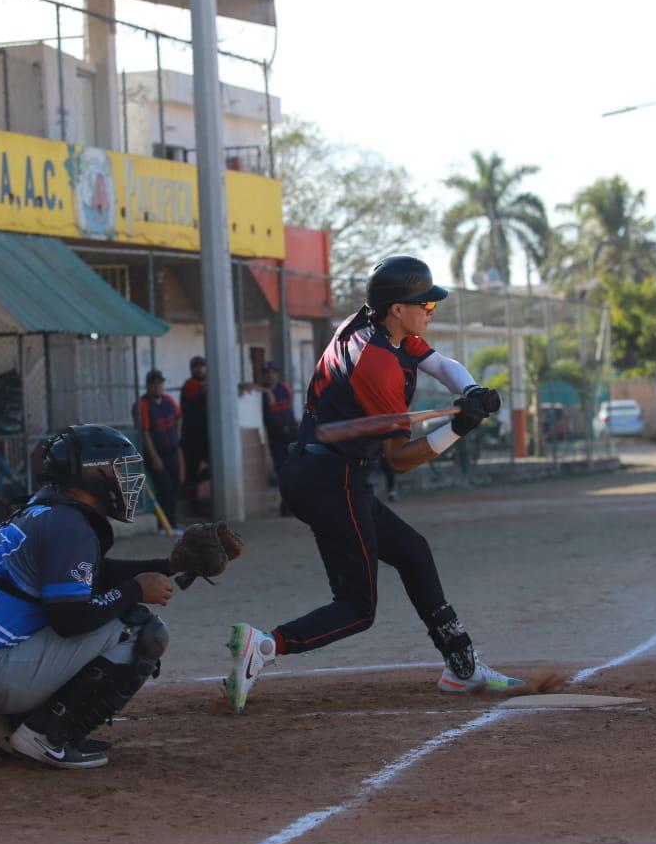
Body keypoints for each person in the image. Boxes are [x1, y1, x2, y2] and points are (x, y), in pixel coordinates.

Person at [222, 256, 524, 714]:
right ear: (397, 308)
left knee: (412, 551)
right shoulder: (377, 364)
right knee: (358, 607)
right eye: (424, 303)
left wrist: (471, 391)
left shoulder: (375, 326)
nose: (430, 310)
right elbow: (401, 460)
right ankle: (265, 646)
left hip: (329, 474)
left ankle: (461, 666)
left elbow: (440, 364)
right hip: (331, 480)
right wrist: (458, 430)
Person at [0, 424, 241, 769]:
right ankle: (46, 735)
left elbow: (90, 575)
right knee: (139, 629)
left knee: (104, 611)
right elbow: (71, 621)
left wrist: (169, 566)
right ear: (90, 475)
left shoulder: (44, 510)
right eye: (117, 469)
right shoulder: (70, 526)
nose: (127, 479)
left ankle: (2, 722)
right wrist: (136, 589)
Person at [137, 370, 183, 531]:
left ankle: (172, 523)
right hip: (157, 454)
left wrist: (177, 437)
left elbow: (178, 417)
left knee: (175, 487)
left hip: (172, 451)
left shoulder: (169, 400)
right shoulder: (143, 404)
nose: (157, 386)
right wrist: (154, 457)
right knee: (164, 488)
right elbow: (145, 432)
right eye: (153, 383)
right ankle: (164, 525)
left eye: (160, 383)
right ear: (148, 386)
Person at [258, 361, 298, 515]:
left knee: (295, 470)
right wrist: (265, 391)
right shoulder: (260, 393)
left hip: (291, 432)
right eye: (267, 373)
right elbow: (245, 386)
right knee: (282, 471)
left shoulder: (283, 388)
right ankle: (286, 507)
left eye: (273, 372)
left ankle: (292, 505)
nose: (270, 375)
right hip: (275, 436)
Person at [179, 355, 209, 508]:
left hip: (206, 436)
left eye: (201, 366)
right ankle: (193, 505)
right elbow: (203, 389)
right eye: (196, 366)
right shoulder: (189, 384)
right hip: (191, 437)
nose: (199, 369)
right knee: (191, 472)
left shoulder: (206, 383)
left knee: (213, 467)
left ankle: (195, 490)